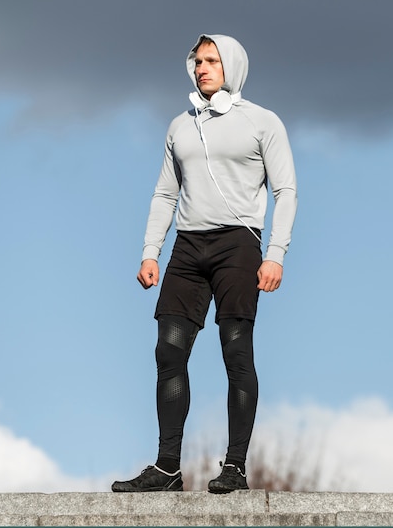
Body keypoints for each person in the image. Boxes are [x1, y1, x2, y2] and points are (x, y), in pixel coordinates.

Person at [111, 34, 297, 494]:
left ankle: (235, 466)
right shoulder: (180, 126)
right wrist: (150, 251)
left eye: (212, 60)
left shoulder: (262, 122)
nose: (202, 67)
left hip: (239, 245)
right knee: (169, 351)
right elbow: (164, 193)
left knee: (236, 350)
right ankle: (168, 468)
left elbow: (285, 192)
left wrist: (275, 254)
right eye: (198, 60)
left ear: (231, 65)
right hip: (188, 247)